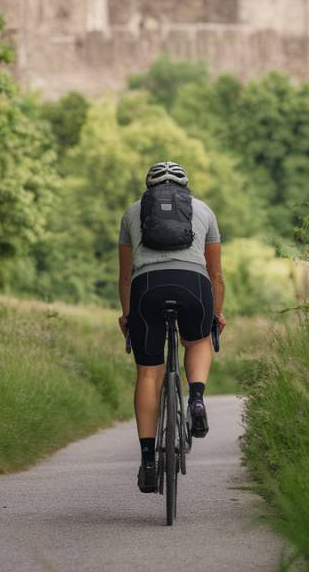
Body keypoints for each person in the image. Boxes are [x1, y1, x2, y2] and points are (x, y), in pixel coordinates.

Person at [118, 161, 226, 494]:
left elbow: (124, 277)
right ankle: (195, 399)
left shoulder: (132, 213)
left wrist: (127, 317)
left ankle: (149, 461)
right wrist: (216, 315)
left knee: (149, 373)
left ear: (149, 186)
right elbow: (216, 274)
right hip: (194, 285)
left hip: (146, 288)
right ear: (185, 186)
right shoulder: (204, 210)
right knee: (198, 340)